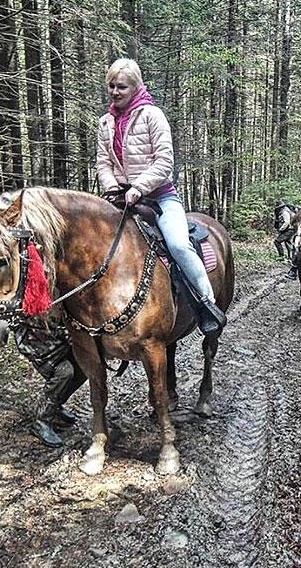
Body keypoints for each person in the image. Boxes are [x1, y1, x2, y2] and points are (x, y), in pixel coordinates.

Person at [96, 58, 226, 336]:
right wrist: (113, 188)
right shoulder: (105, 123)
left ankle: (207, 302)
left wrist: (139, 188)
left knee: (178, 245)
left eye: (121, 86)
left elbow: (164, 161)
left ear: (136, 87)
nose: (115, 92)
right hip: (120, 199)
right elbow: (103, 164)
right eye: (111, 86)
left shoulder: (153, 116)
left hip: (159, 198)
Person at [13, 317, 87, 447]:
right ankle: (41, 420)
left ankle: (54, 406)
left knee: (84, 368)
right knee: (64, 372)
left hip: (61, 339)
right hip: (36, 340)